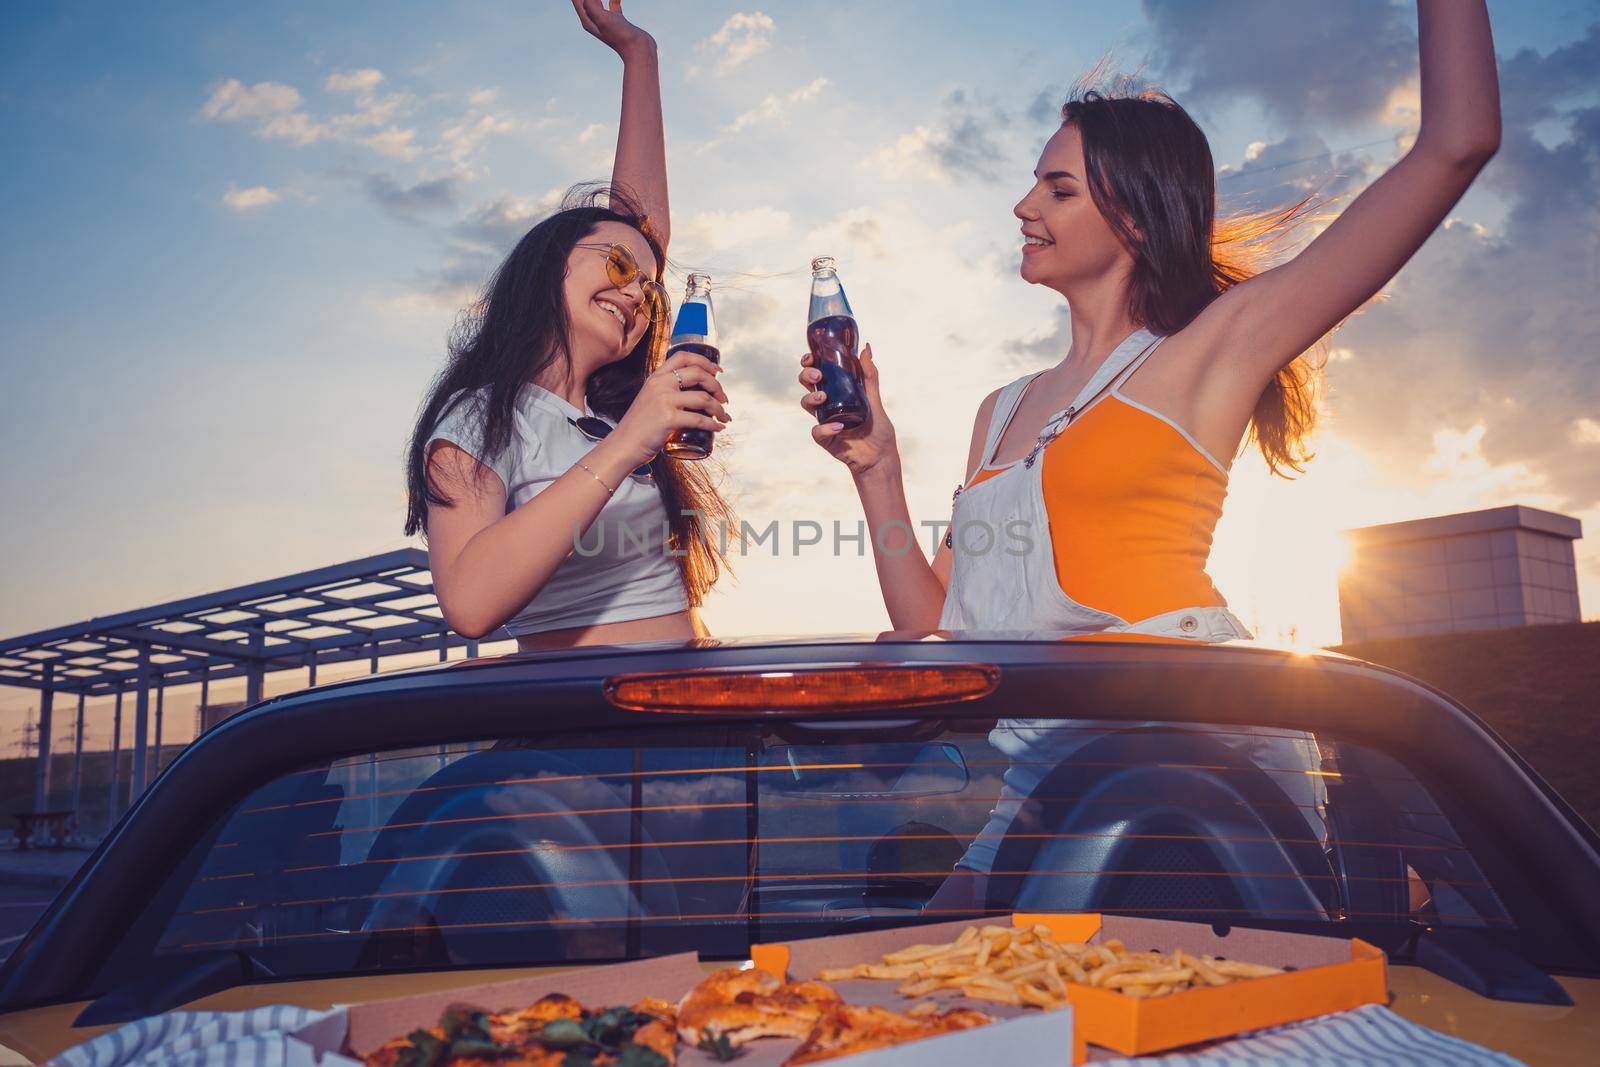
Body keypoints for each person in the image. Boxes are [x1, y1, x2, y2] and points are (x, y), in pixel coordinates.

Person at [801, 0, 1500, 902]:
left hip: (1199, 769)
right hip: (1049, 782)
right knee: (918, 982)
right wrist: (876, 469)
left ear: (1133, 217)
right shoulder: (999, 409)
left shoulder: (1210, 352)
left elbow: (1457, 141)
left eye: (1059, 189)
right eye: (1033, 185)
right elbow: (929, 626)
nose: (1023, 206)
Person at [404, 0, 734, 650]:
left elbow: (643, 234)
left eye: (647, 287)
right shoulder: (481, 417)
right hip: (588, 733)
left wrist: (641, 53)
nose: (636, 292)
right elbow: (469, 604)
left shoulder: (613, 422)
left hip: (692, 716)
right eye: (616, 266)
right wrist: (631, 440)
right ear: (547, 268)